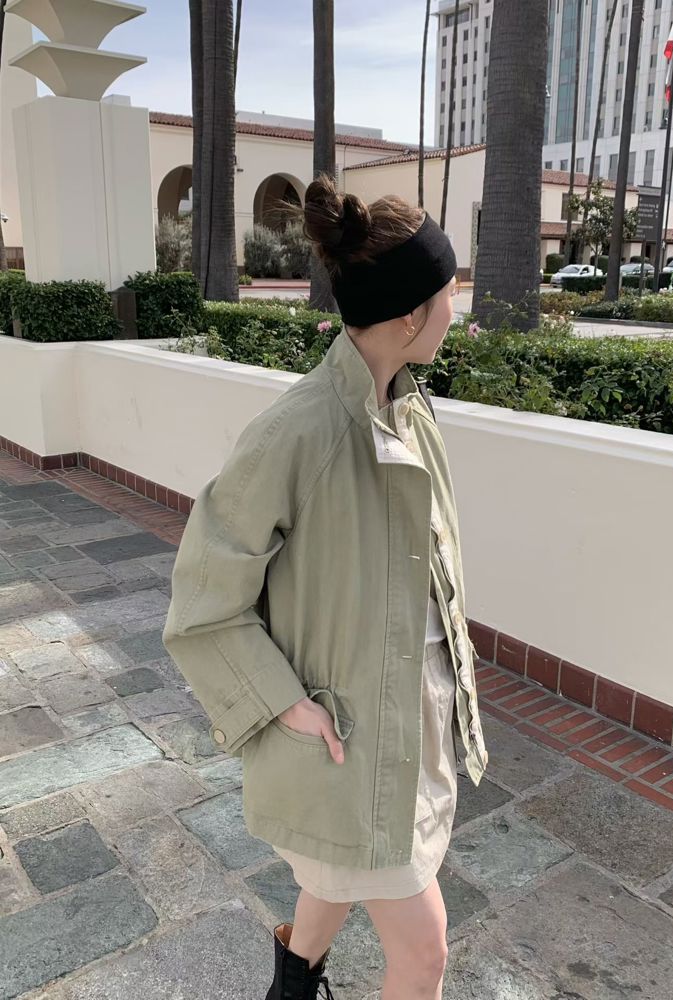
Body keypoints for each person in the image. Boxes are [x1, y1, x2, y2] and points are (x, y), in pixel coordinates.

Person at [162, 174, 489, 1000]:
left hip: (410, 721)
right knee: (424, 955)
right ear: (409, 314)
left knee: (341, 866)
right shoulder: (299, 431)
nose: (458, 309)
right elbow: (202, 601)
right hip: (349, 735)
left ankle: (293, 983)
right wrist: (281, 704)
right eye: (451, 293)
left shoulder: (409, 410)